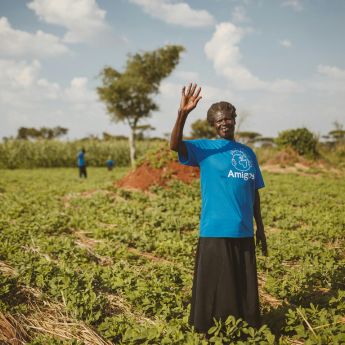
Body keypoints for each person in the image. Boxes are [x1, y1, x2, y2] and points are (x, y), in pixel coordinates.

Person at [170, 83, 267, 333]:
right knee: (215, 286)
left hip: (244, 229)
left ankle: (242, 329)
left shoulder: (248, 153)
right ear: (214, 125)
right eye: (219, 120)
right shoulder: (204, 148)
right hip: (215, 229)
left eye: (228, 118)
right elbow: (174, 145)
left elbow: (254, 192)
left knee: (242, 286)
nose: (224, 123)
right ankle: (210, 330)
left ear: (234, 120)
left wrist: (261, 229)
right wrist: (183, 113)